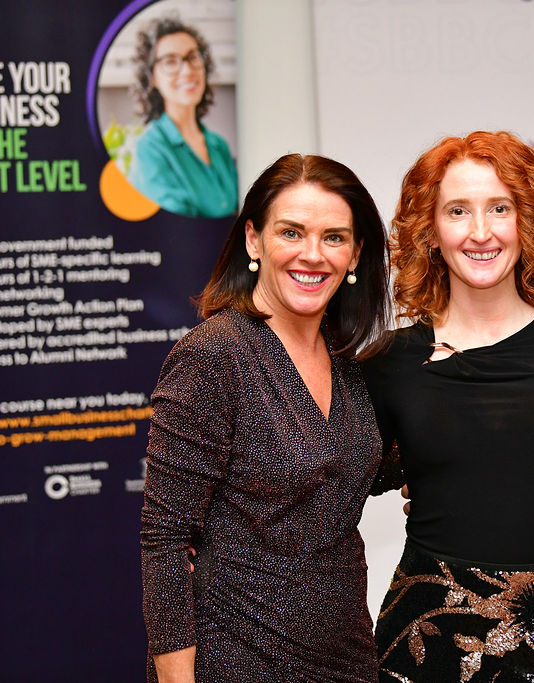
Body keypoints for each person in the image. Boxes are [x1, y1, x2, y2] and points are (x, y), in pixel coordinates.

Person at [363, 131, 534, 682]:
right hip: (428, 636)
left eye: (500, 208)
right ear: (430, 231)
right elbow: (323, 488)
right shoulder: (390, 362)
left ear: (529, 221)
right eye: (457, 211)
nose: (480, 232)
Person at [140, 153, 390, 682]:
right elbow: (164, 543)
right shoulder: (214, 356)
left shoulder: (347, 361)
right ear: (254, 240)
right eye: (291, 232)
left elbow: (342, 480)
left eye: (334, 237)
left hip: (346, 657)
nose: (312, 255)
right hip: (237, 656)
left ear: (355, 253)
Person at [127, 15, 238, 218]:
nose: (187, 71)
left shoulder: (219, 145)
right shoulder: (149, 149)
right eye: (170, 62)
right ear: (152, 78)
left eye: (193, 57)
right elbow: (175, 224)